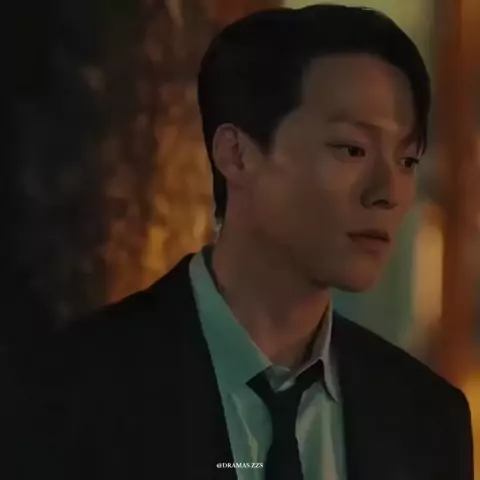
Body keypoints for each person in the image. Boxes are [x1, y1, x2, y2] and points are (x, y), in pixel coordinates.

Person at [16, 4, 472, 480]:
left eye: (407, 161)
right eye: (351, 149)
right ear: (236, 155)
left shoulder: (428, 418)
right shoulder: (69, 393)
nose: (388, 192)